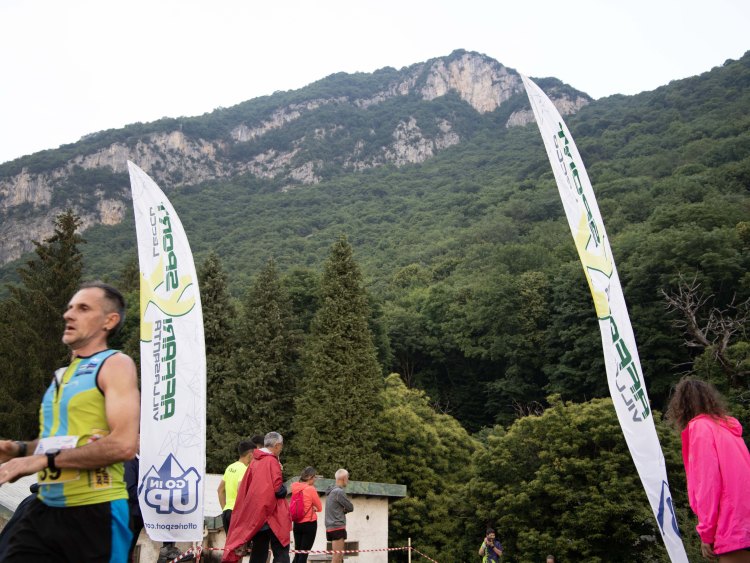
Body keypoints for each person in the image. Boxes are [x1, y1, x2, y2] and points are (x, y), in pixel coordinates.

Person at [0, 281, 140, 563]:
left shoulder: (116, 364)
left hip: (95, 511)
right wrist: (17, 449)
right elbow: (57, 442)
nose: (68, 314)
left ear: (109, 321)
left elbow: (124, 445)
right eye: (70, 307)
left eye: (83, 308)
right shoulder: (62, 375)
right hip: (45, 506)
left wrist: (44, 460)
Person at [666, 378, 750, 562]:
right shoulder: (729, 428)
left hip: (733, 524)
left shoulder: (700, 428)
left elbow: (708, 486)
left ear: (682, 406)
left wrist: (707, 533)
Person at [222, 432, 291, 563]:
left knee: (258, 551)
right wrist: (285, 490)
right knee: (281, 551)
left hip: (256, 516)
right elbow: (278, 490)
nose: (281, 449)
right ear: (277, 445)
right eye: (281, 446)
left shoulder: (254, 462)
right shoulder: (272, 461)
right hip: (273, 515)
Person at [218, 438, 257, 534]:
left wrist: (225, 509)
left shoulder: (230, 467)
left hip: (227, 512)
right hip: (238, 513)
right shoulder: (245, 469)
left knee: (230, 542)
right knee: (241, 542)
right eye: (255, 455)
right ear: (250, 455)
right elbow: (241, 490)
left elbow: (220, 490)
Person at [291, 466, 323, 563]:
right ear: (309, 477)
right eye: (314, 477)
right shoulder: (311, 489)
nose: (315, 479)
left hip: (297, 523)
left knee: (297, 553)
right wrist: (314, 508)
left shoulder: (295, 487)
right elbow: (319, 507)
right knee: (303, 555)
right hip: (309, 524)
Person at [325, 469, 353, 563]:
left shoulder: (330, 492)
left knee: (339, 557)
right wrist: (344, 510)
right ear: (344, 478)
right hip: (337, 527)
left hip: (330, 527)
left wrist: (341, 510)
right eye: (347, 478)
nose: (348, 480)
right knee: (337, 557)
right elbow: (350, 507)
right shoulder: (339, 492)